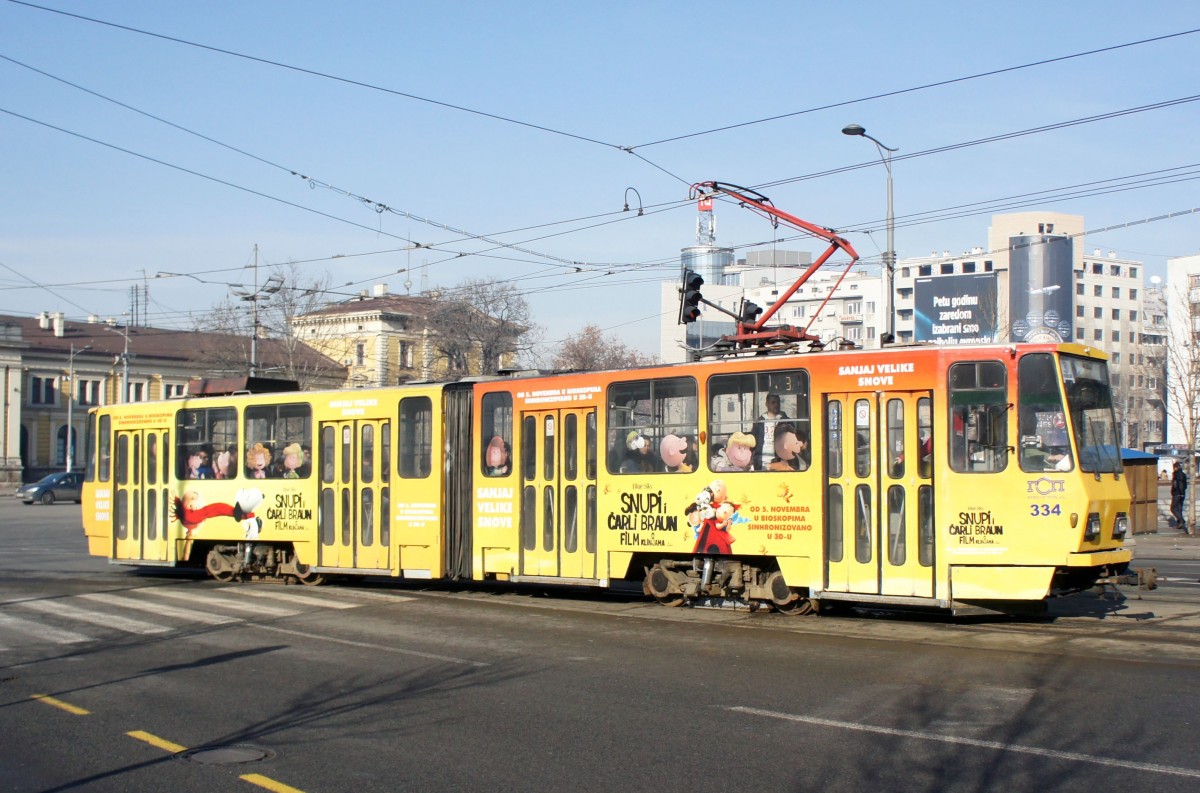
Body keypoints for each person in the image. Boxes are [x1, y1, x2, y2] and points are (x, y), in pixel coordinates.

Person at [751, 393, 788, 471]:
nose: (776, 405)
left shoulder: (785, 421)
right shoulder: (759, 422)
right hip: (761, 460)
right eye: (773, 402)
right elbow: (753, 440)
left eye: (778, 403)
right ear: (766, 404)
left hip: (778, 460)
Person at [1171, 462, 1189, 535]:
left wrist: (1177, 492)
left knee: (1173, 508)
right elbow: (1185, 485)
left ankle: (1181, 520)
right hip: (1181, 494)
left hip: (1177, 494)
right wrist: (1182, 493)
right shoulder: (1183, 474)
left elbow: (1178, 484)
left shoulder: (1177, 475)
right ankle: (1180, 523)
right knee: (1179, 508)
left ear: (1176, 467)